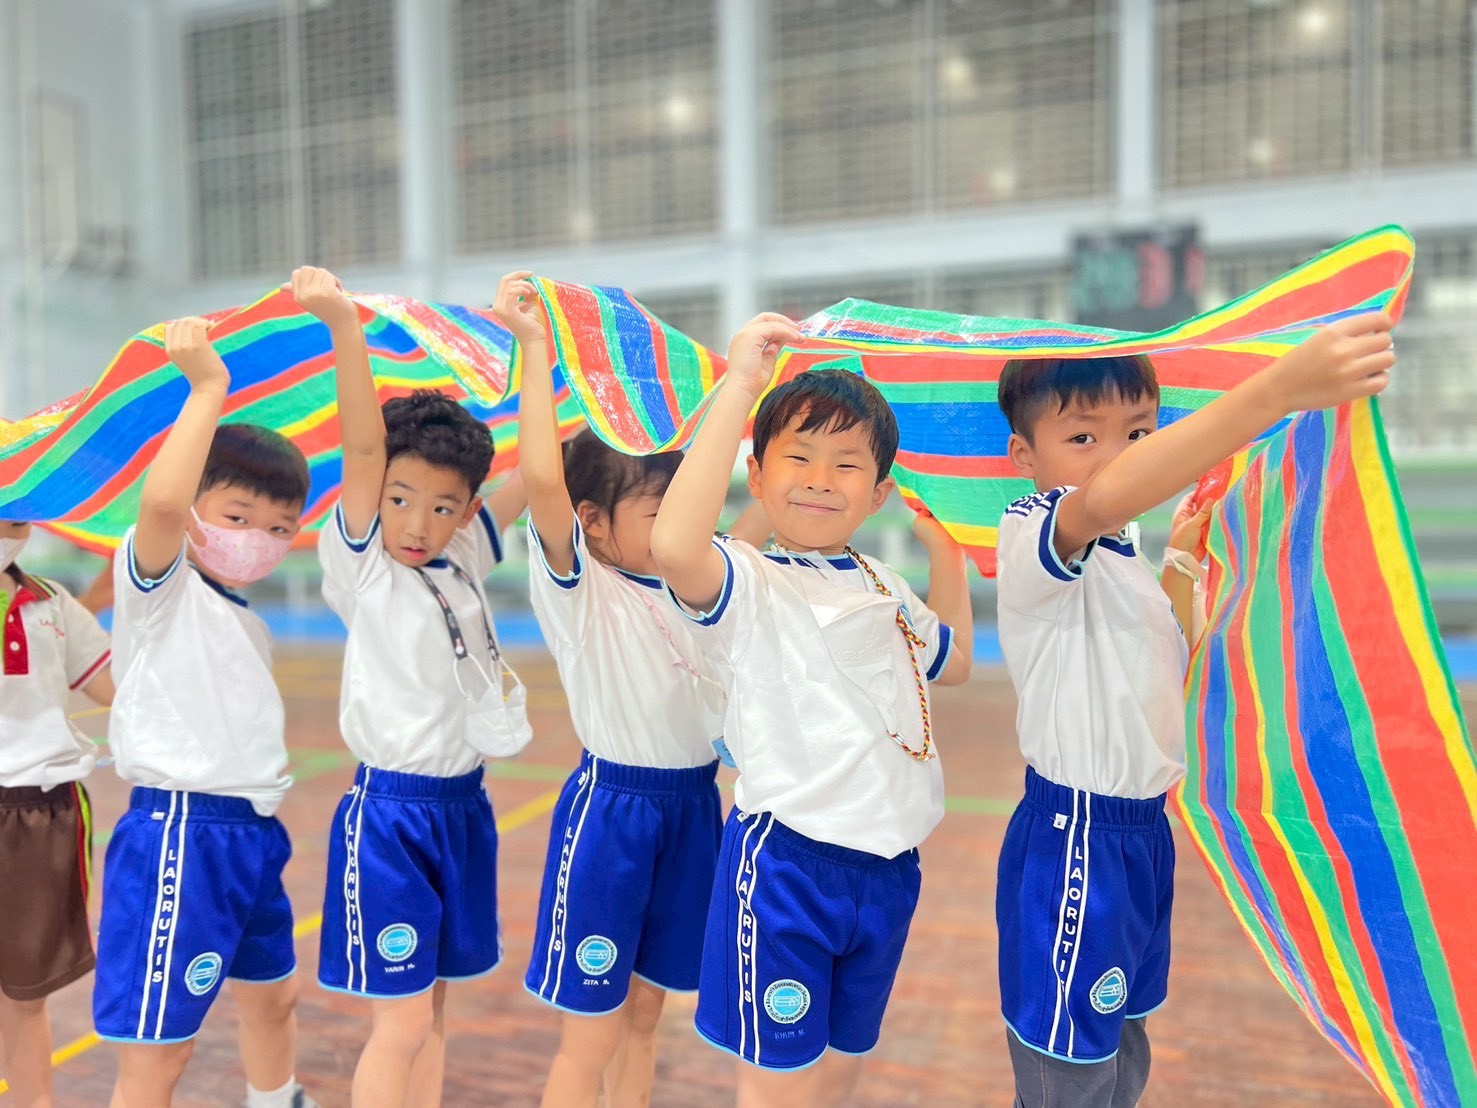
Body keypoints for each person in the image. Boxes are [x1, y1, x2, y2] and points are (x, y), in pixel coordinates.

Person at [991, 314, 1395, 1107]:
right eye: (1082, 437)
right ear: (1023, 458)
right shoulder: (1033, 534)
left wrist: (1178, 554)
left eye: (1139, 431)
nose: (1116, 455)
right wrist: (1277, 389)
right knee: (1066, 1074)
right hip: (1077, 838)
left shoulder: (1118, 554)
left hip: (1141, 836)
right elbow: (1104, 497)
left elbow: (1163, 651)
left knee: (1120, 1057)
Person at [650, 315, 973, 1108]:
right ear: (756, 477)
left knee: (838, 1074)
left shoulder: (882, 586)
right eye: (796, 457)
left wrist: (945, 557)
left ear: (879, 491)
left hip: (888, 871)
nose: (820, 478)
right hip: (787, 868)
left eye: (844, 464)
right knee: (778, 1087)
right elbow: (675, 547)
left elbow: (955, 661)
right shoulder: (750, 580)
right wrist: (741, 387)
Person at [492, 273, 767, 1108]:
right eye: (658, 506)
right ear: (594, 523)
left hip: (695, 808)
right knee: (593, 1027)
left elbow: (750, 529)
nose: (683, 518)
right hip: (612, 811)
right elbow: (541, 482)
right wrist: (535, 353)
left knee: (646, 1014)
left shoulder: (698, 582)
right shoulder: (584, 589)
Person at [292, 267, 529, 1108]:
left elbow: (536, 470)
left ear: (464, 512)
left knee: (432, 1014)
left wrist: (533, 349)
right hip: (390, 817)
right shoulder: (363, 565)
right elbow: (362, 447)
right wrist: (343, 326)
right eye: (399, 499)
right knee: (397, 1025)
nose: (418, 523)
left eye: (440, 507)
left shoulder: (461, 553)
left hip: (463, 807)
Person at [91, 317, 316, 1108]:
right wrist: (207, 389)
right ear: (193, 510)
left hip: (251, 834)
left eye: (281, 527)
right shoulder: (161, 588)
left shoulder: (241, 615)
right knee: (160, 1050)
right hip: (181, 835)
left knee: (273, 997)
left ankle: (275, 1097)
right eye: (237, 517)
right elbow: (157, 506)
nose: (261, 538)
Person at [0, 522, 113, 1108]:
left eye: (16, 515)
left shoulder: (51, 603)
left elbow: (117, 687)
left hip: (40, 809)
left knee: (26, 992)